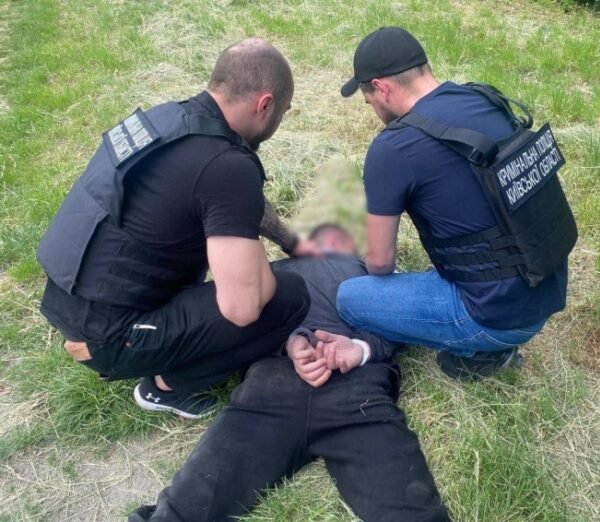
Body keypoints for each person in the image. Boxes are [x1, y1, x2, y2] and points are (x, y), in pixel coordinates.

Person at [36, 39, 314, 419]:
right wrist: (261, 274)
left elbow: (231, 200)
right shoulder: (228, 165)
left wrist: (290, 240)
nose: (279, 122)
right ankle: (165, 386)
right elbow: (243, 308)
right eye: (283, 112)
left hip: (71, 300)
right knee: (288, 297)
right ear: (265, 105)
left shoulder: (167, 120)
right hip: (113, 338)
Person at [129, 224, 451, 522]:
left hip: (354, 392)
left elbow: (404, 323)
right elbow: (237, 322)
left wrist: (358, 348)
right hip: (274, 386)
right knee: (188, 503)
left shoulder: (369, 274)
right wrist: (292, 342)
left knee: (412, 510)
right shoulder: (269, 273)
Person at [337, 27, 570, 380]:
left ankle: (481, 351)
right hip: (547, 285)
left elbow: (381, 263)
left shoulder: (393, 147)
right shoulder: (484, 97)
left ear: (381, 88)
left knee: (350, 297)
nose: (374, 111)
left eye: (370, 102)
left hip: (495, 317)